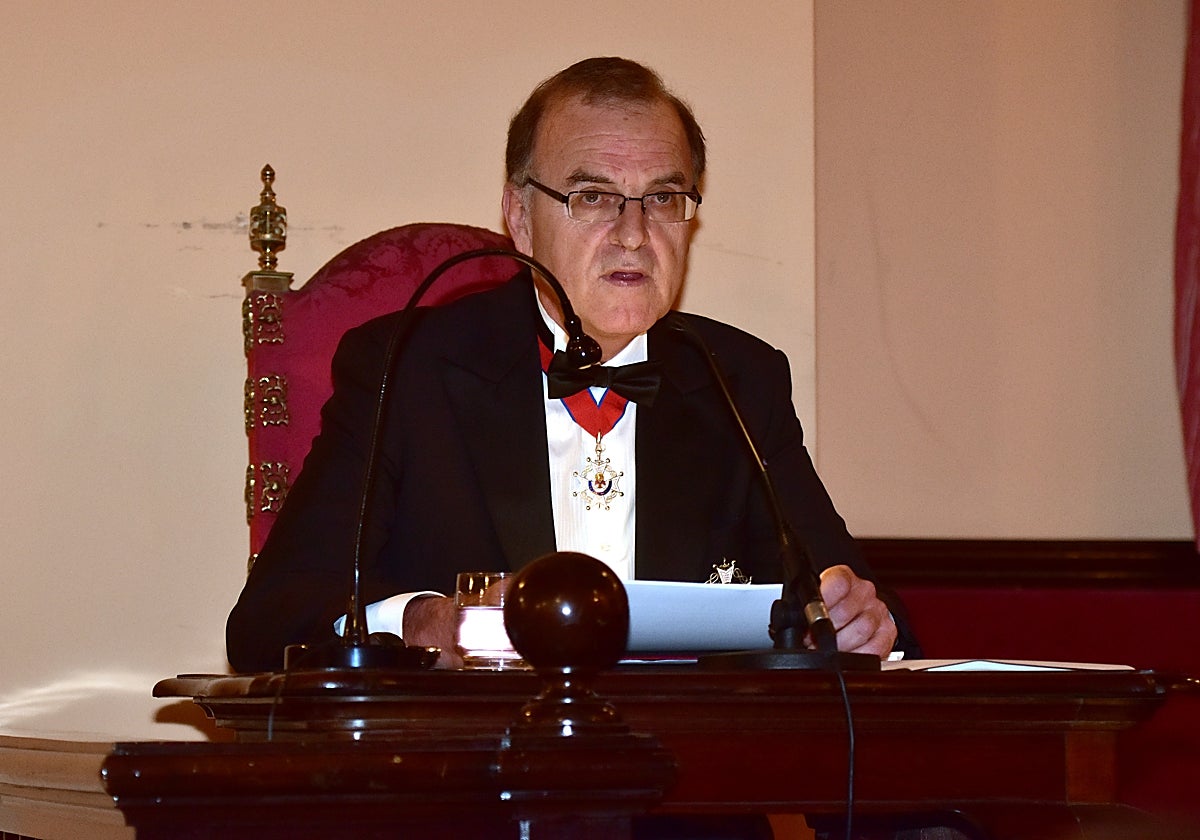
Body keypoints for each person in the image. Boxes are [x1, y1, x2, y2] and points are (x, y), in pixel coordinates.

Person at [226, 56, 919, 674]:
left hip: (682, 769)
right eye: (592, 197)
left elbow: (862, 607)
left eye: (663, 198)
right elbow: (270, 619)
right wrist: (424, 625)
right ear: (520, 218)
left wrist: (857, 620)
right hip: (469, 767)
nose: (633, 234)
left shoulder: (738, 379)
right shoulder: (406, 368)